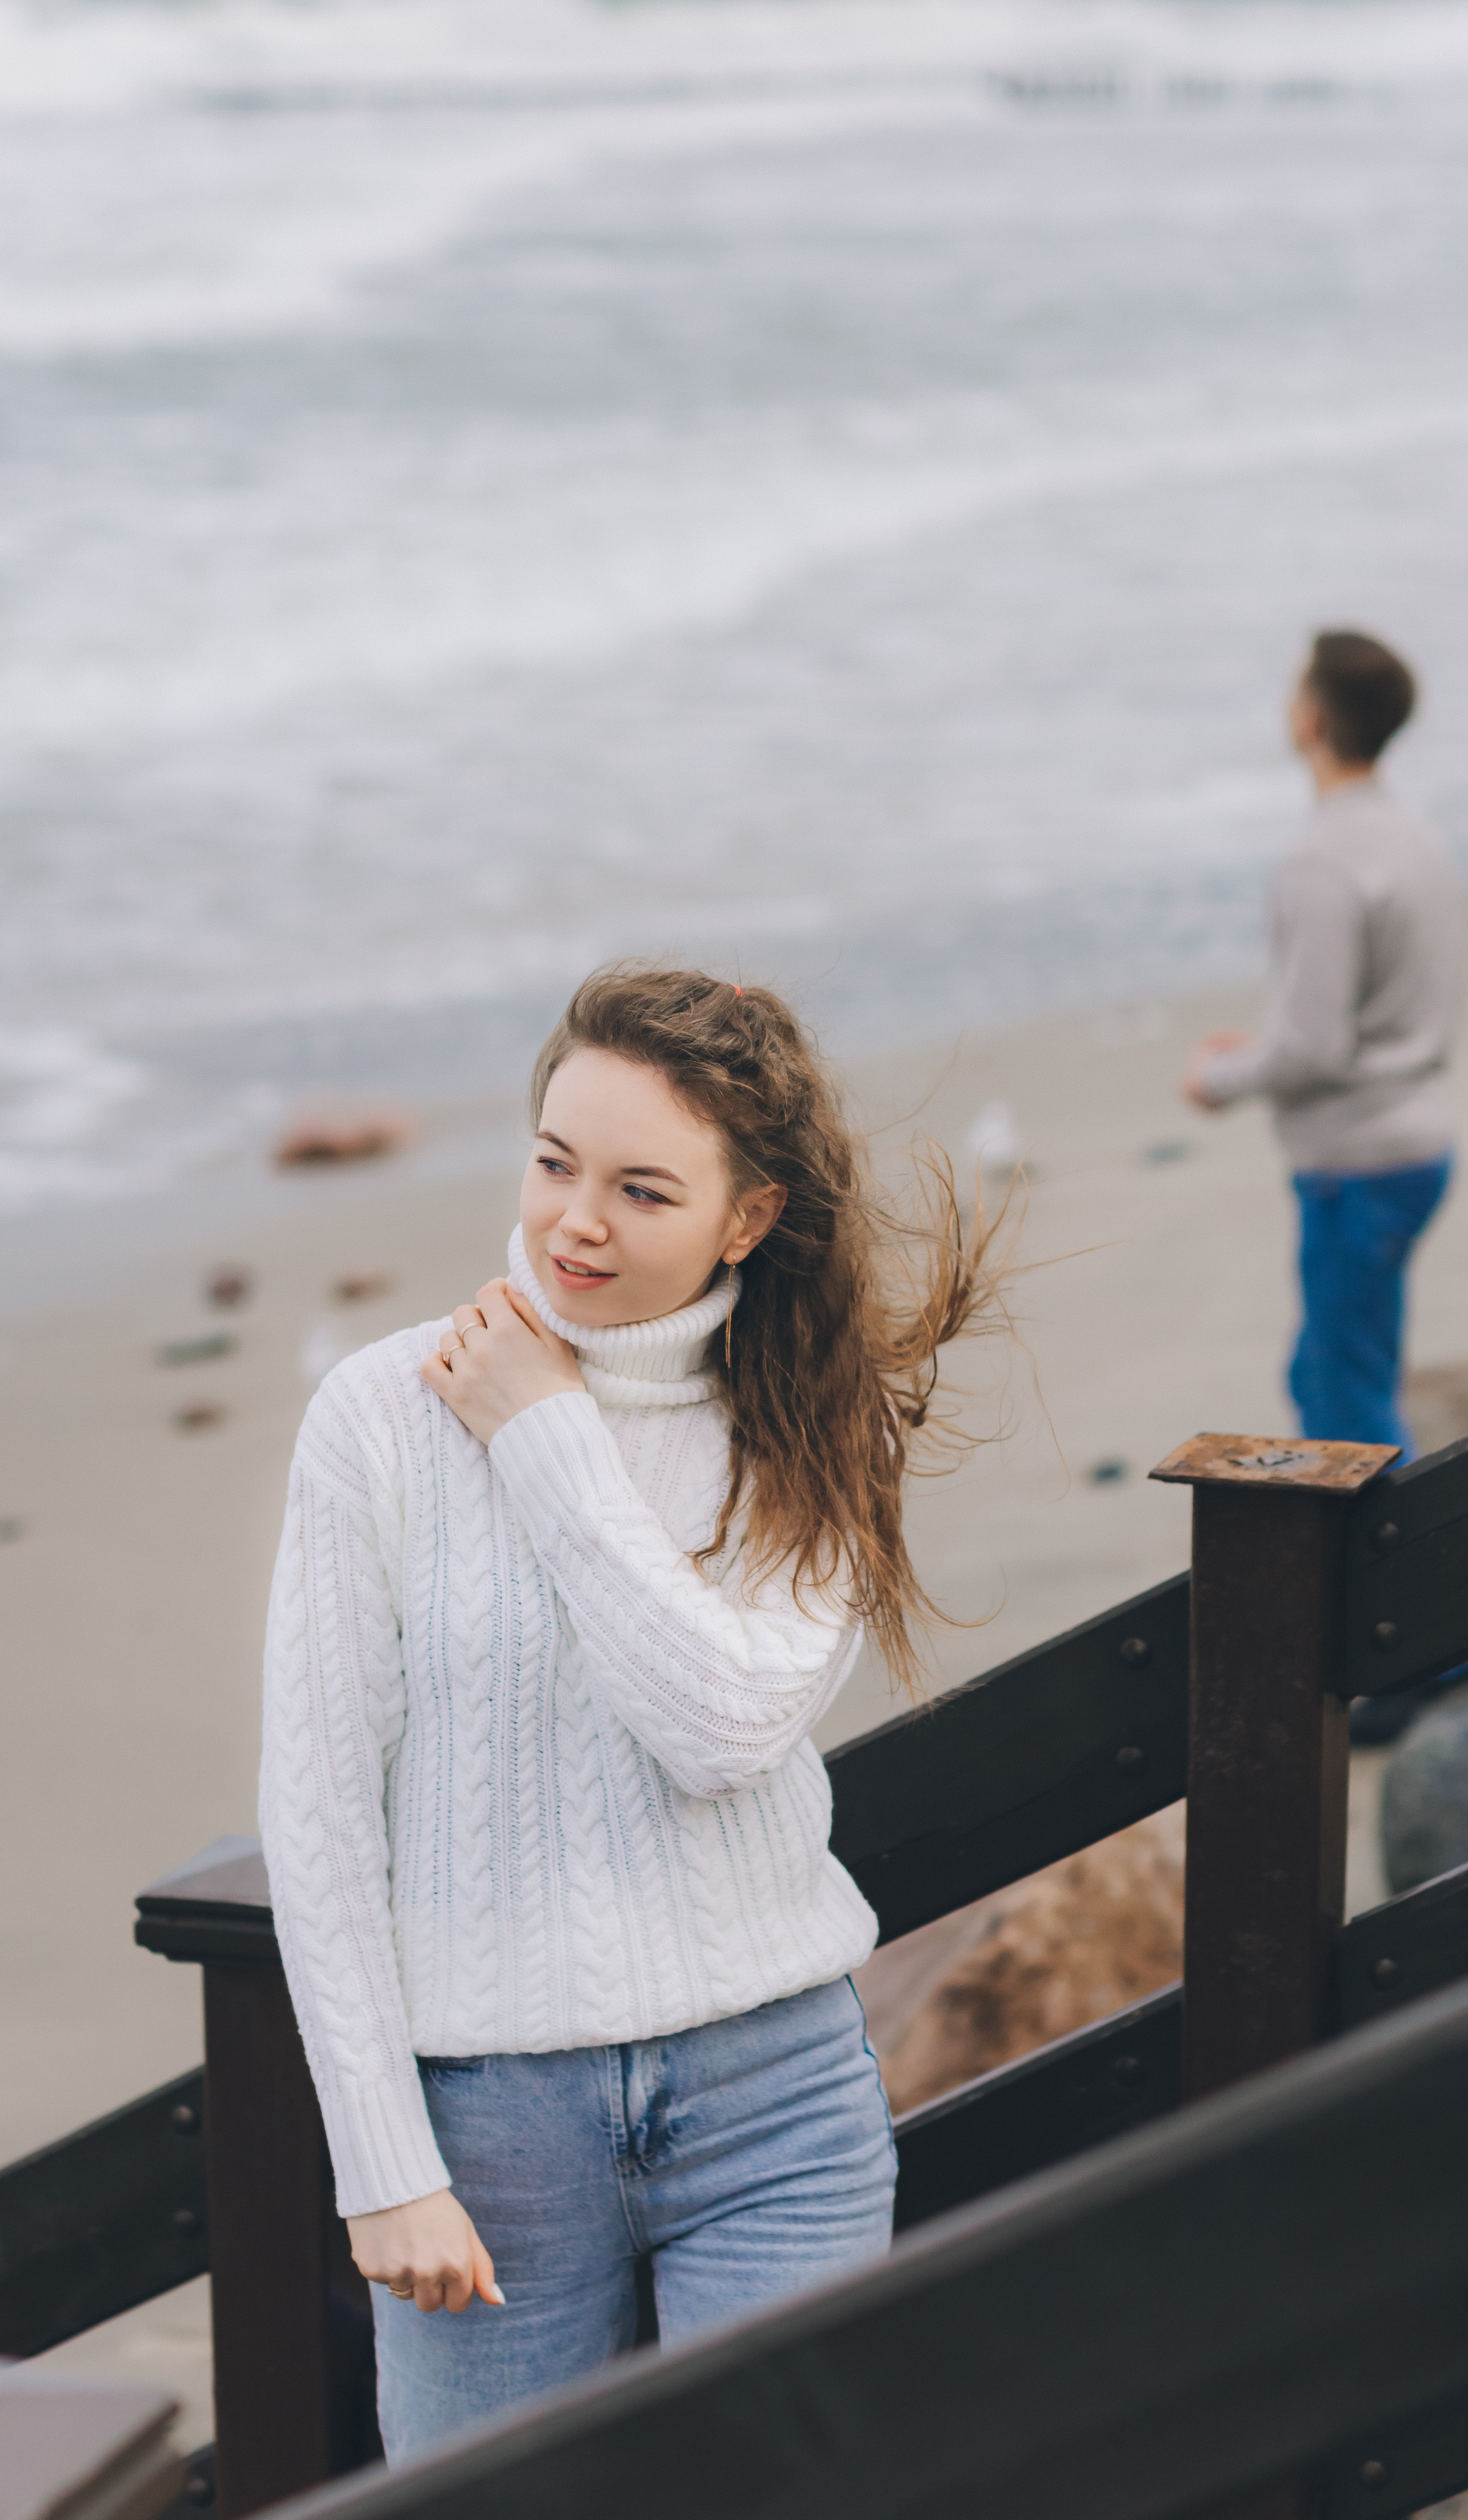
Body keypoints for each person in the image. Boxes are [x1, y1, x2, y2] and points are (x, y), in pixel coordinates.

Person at [260, 966, 1003, 2461]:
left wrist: (545, 1434)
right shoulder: (378, 1415)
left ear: (747, 1219)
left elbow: (719, 1731)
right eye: (552, 1164)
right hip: (487, 2127)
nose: (572, 1222)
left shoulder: (811, 1419)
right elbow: (320, 1813)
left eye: (640, 1189)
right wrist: (381, 2164)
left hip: (771, 2100)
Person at [1183, 630, 1467, 1742]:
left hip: (1357, 1162)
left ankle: (1411, 1658)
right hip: (1415, 1140)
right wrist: (1265, 1043)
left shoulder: (1321, 859)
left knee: (1341, 1407)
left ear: (1310, 715)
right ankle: (1423, 1640)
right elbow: (1362, 1016)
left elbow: (1308, 1050)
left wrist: (1218, 1077)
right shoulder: (1415, 836)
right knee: (1336, 1372)